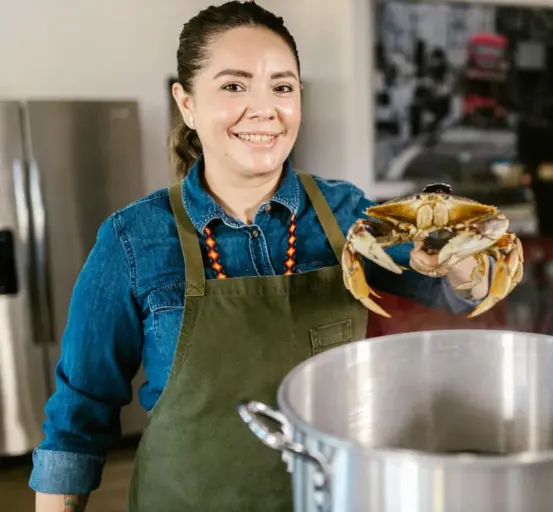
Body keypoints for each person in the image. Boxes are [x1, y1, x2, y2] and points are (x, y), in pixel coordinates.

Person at [29, 2, 495, 511]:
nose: (265, 109)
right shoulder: (132, 238)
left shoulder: (346, 212)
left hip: (330, 498)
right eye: (233, 86)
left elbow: (453, 292)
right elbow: (77, 418)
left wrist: (461, 256)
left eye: (282, 86)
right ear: (186, 103)